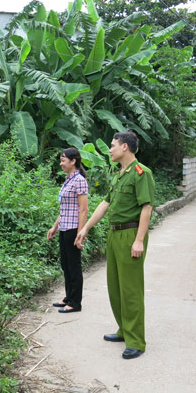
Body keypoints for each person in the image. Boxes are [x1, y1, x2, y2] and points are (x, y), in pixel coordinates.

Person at [75, 132, 154, 360]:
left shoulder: (141, 173)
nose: (109, 150)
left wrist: (139, 240)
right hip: (114, 234)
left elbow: (146, 208)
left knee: (131, 289)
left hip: (130, 234)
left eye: (112, 146)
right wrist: (86, 227)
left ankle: (136, 341)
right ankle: (123, 329)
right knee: (116, 286)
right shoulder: (120, 174)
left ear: (125, 147)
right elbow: (105, 203)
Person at [47, 147, 89, 313]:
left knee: (74, 266)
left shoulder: (79, 180)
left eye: (63, 160)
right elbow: (64, 208)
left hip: (73, 229)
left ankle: (76, 303)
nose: (61, 163)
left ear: (73, 161)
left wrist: (80, 233)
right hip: (64, 227)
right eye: (61, 159)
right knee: (65, 264)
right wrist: (54, 227)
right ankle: (68, 297)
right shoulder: (68, 179)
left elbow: (83, 209)